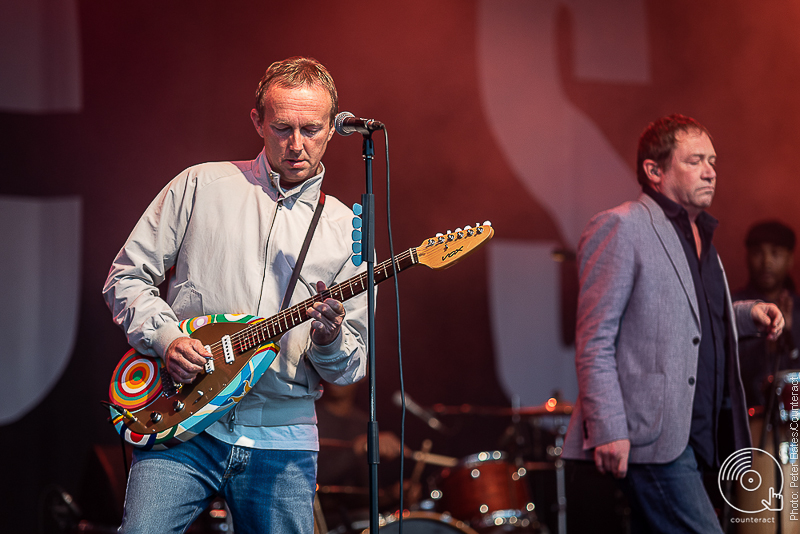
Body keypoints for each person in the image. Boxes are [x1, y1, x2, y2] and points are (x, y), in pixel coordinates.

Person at [102, 56, 369, 534]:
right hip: (182, 421)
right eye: (282, 127)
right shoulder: (201, 185)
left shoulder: (343, 230)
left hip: (282, 439)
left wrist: (328, 339)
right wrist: (165, 337)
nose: (296, 144)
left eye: (311, 129)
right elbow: (125, 277)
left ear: (333, 128)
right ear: (257, 121)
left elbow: (351, 367)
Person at [561, 114, 784, 533]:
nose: (710, 171)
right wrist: (609, 427)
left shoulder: (701, 238)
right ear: (654, 170)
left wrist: (747, 315)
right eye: (695, 160)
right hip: (647, 440)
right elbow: (594, 338)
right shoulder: (622, 226)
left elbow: (690, 322)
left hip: (698, 433)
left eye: (713, 161)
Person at [733, 221, 799, 408]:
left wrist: (789, 336)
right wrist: (767, 347)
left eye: (775, 253)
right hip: (749, 424)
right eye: (757, 253)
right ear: (747, 258)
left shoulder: (797, 309)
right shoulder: (734, 308)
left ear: (790, 259)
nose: (766, 261)